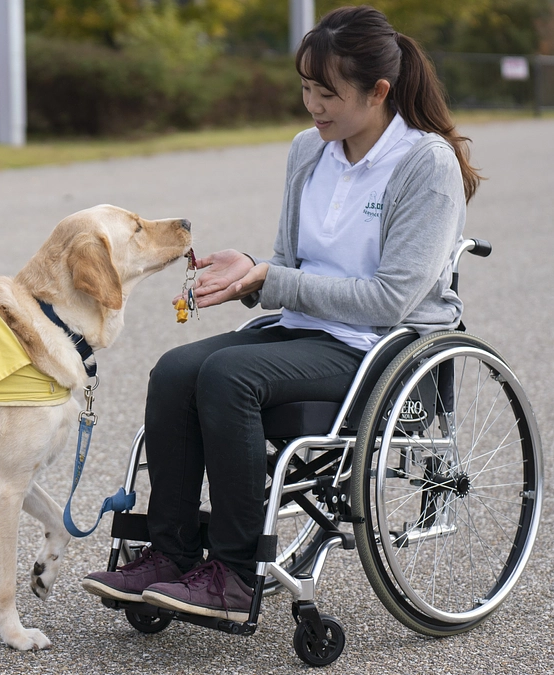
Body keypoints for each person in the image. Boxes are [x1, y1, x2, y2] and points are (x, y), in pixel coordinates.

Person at [81, 4, 482, 622]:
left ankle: (237, 575)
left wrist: (272, 278)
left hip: (379, 345)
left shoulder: (425, 164)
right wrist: (248, 272)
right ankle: (171, 555)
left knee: (228, 377)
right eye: (305, 88)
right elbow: (291, 265)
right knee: (173, 370)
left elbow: (389, 300)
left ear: (379, 92)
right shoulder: (308, 151)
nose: (312, 105)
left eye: (328, 93)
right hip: (303, 333)